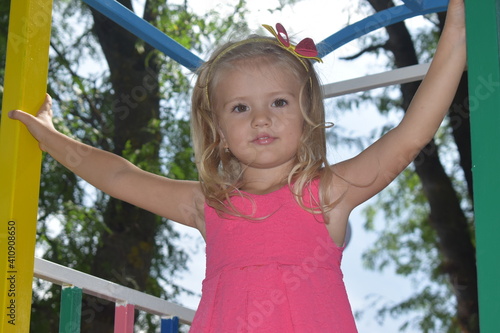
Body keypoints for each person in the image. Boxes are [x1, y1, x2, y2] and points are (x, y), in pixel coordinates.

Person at [9, 0, 465, 331]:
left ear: (308, 118)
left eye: (279, 102)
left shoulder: (327, 194)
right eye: (240, 108)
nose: (262, 117)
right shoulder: (207, 204)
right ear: (218, 131)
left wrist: (457, 33)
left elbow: (410, 137)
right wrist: (51, 138)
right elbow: (120, 176)